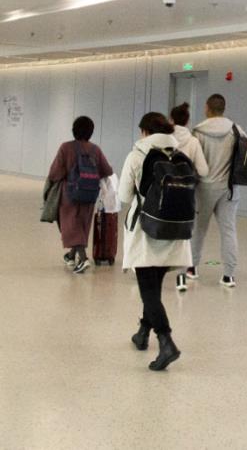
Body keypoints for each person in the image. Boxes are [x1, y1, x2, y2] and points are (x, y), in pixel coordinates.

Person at [118, 112, 191, 371]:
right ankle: (142, 333)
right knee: (154, 288)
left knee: (148, 292)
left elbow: (124, 195)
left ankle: (166, 341)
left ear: (145, 131)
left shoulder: (137, 155)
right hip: (175, 231)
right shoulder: (180, 155)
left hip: (146, 231)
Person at [186, 94, 247, 289]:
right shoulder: (236, 130)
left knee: (198, 229)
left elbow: (192, 160)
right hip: (229, 189)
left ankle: (192, 268)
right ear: (223, 108)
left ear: (207, 108)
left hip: (203, 189)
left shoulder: (198, 132)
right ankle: (229, 276)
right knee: (228, 230)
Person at [47, 116, 113, 274]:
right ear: (91, 132)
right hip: (90, 193)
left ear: (74, 130)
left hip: (69, 194)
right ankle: (71, 256)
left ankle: (83, 259)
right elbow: (107, 170)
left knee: (70, 227)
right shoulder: (95, 149)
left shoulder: (66, 147)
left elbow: (54, 173)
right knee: (81, 226)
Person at [169, 102, 208, 292]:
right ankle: (182, 276)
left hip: (164, 193)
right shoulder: (193, 142)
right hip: (185, 194)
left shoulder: (165, 139)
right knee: (184, 235)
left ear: (171, 120)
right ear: (187, 121)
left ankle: (149, 270)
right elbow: (203, 170)